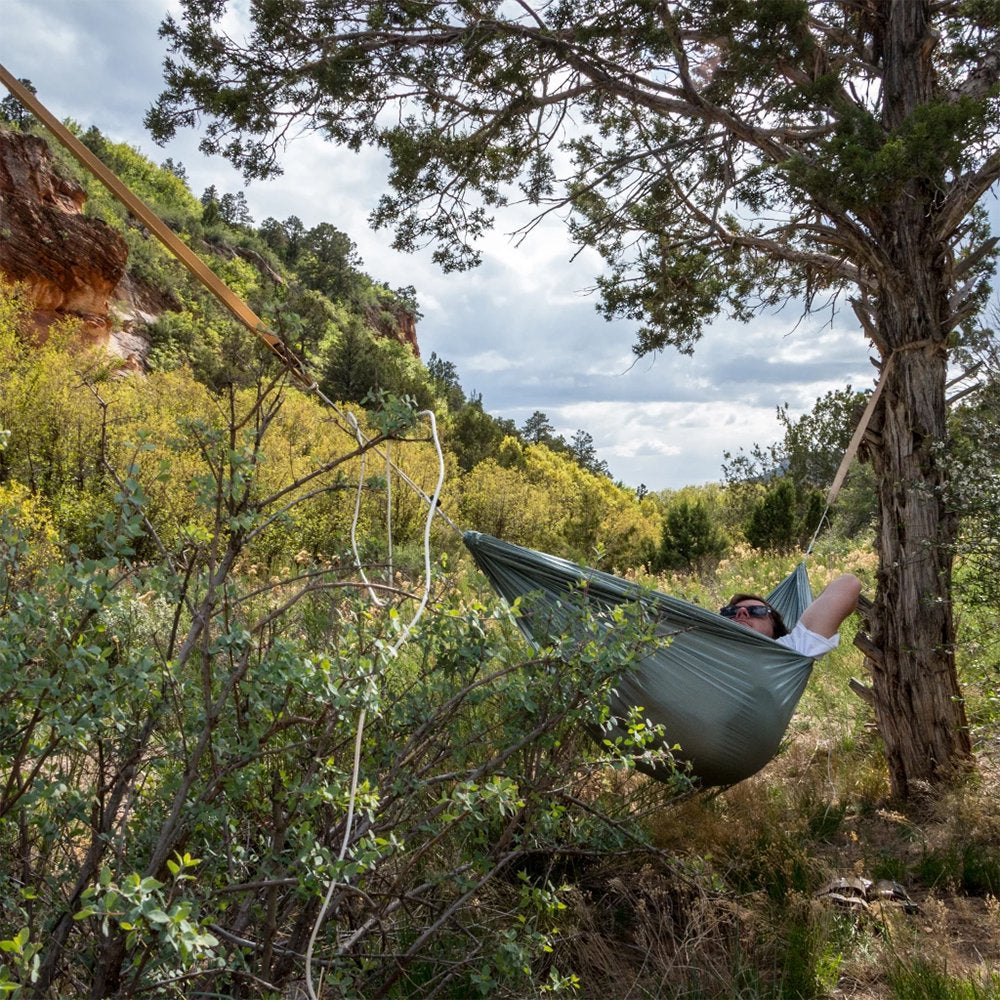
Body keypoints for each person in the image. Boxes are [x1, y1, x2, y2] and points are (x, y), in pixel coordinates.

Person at [719, 574, 862, 658]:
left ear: (774, 624)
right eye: (731, 611)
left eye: (756, 610)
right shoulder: (701, 646)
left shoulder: (791, 649)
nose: (741, 612)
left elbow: (847, 584)